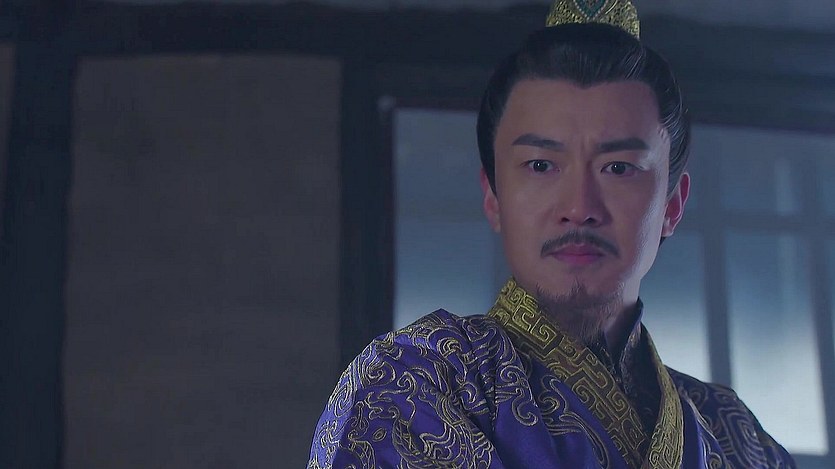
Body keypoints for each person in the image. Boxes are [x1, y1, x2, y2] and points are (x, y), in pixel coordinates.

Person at [309, 1, 796, 467]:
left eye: (618, 167)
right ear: (493, 196)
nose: (579, 209)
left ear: (672, 205)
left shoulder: (737, 439)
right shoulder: (417, 386)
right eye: (541, 165)